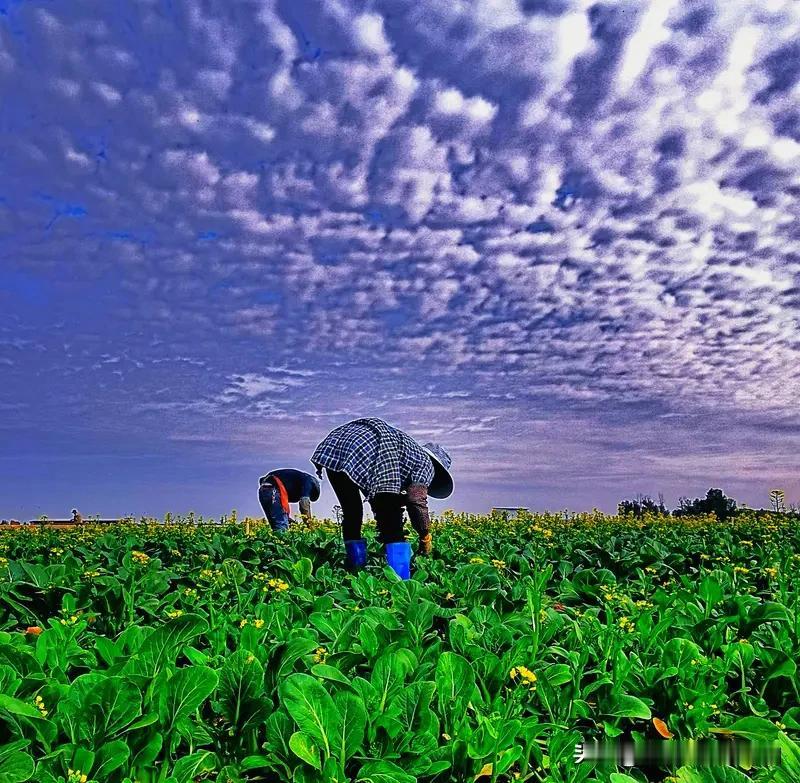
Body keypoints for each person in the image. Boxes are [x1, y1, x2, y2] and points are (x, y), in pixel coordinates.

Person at [310, 417, 453, 579]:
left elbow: (377, 495)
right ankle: (401, 578)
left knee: (352, 511)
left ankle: (357, 570)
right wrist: (425, 535)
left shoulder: (405, 453)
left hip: (338, 446)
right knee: (391, 520)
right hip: (368, 445)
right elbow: (415, 499)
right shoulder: (426, 463)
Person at [258, 468, 321, 533]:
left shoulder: (294, 482)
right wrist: (310, 528)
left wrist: (294, 524)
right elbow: (304, 505)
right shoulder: (309, 481)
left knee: (276, 526)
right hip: (273, 488)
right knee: (282, 529)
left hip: (264, 490)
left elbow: (279, 510)